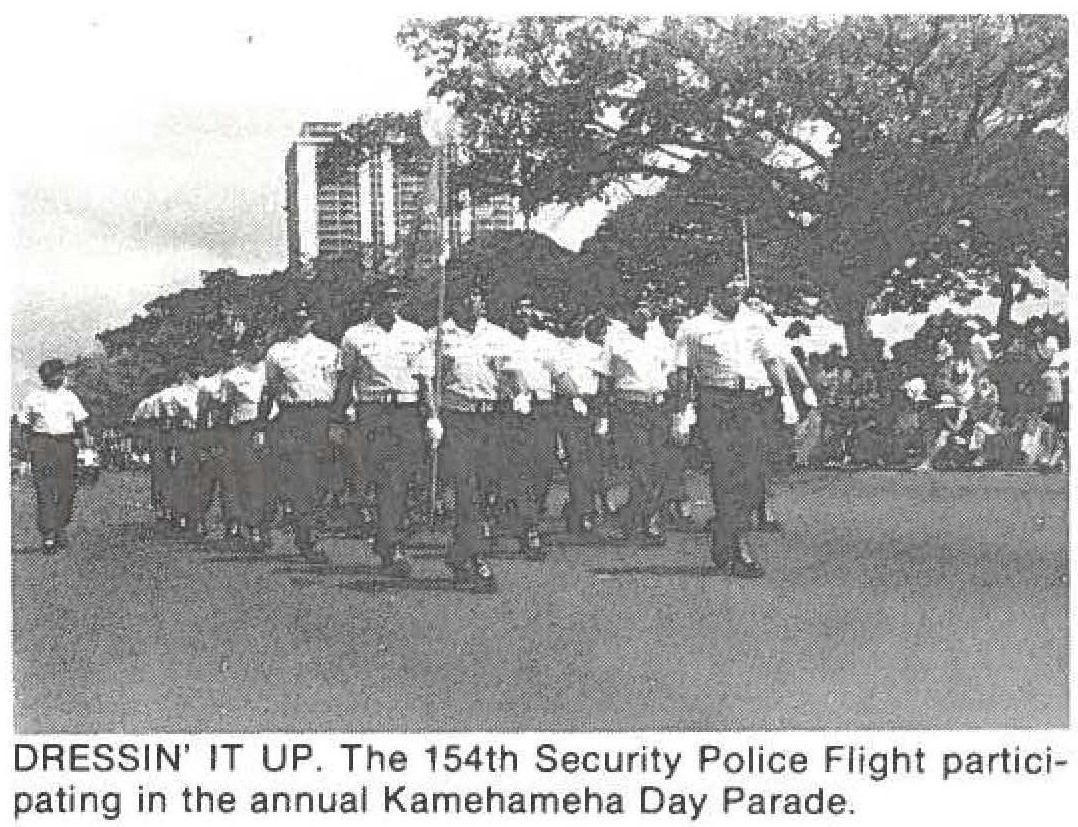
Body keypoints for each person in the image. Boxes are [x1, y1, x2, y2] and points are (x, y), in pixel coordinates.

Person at [677, 275, 786, 577]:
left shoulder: (755, 321)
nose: (735, 292)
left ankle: (724, 534)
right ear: (713, 290)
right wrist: (682, 412)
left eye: (738, 286)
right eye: (728, 286)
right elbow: (684, 373)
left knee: (753, 474)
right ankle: (737, 544)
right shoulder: (693, 328)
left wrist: (787, 395)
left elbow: (771, 360)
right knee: (726, 472)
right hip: (716, 400)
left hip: (751, 401)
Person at [330, 282, 429, 577]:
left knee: (405, 476)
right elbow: (345, 380)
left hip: (408, 410)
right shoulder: (356, 336)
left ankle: (387, 536)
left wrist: (432, 416)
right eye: (385, 299)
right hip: (374, 410)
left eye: (396, 299)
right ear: (372, 302)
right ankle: (391, 542)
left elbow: (425, 379)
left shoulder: (415, 333)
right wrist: (337, 418)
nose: (391, 304)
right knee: (387, 477)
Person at [420, 287, 501, 591]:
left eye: (477, 294)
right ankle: (475, 556)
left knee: (487, 484)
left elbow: (508, 371)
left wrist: (518, 395)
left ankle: (459, 551)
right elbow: (427, 378)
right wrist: (432, 416)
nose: (472, 300)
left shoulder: (495, 334)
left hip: (490, 416)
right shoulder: (438, 335)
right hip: (457, 417)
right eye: (466, 294)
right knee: (467, 487)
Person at [262, 301, 340, 562]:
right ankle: (308, 537)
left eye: (305, 318)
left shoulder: (329, 350)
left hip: (322, 415)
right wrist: (262, 426)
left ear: (313, 320)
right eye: (295, 318)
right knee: (302, 477)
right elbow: (269, 391)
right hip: (292, 417)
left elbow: (338, 387)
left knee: (325, 477)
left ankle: (306, 525)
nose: (300, 322)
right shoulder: (277, 352)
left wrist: (339, 420)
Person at [602, 303, 675, 545]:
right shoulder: (615, 339)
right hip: (629, 407)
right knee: (642, 462)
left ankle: (633, 516)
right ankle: (648, 520)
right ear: (627, 314)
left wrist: (681, 409)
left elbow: (671, 375)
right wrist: (603, 416)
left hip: (658, 406)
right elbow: (605, 379)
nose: (642, 314)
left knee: (657, 465)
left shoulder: (660, 339)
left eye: (647, 309)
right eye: (637, 310)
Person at [19, 359, 91, 552]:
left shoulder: (70, 397)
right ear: (48, 377)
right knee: (45, 490)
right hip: (41, 444)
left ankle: (60, 527)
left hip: (65, 444)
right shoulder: (32, 398)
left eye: (61, 374)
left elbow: (82, 424)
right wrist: (25, 454)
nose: (61, 377)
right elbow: (24, 427)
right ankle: (49, 535)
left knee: (67, 489)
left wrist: (87, 447)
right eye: (58, 374)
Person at [220, 336, 272, 548]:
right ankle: (253, 528)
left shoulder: (271, 369)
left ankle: (266, 524)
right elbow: (224, 410)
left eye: (260, 343)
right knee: (251, 479)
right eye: (253, 343)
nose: (258, 347)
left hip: (271, 426)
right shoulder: (232, 377)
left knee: (273, 479)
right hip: (244, 429)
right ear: (245, 348)